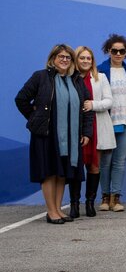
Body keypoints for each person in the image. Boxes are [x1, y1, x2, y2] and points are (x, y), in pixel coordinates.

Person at [15, 44, 94, 224]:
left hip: (71, 136)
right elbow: (21, 99)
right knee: (49, 173)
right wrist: (36, 119)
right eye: (61, 57)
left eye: (68, 57)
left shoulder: (76, 80)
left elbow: (87, 108)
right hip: (47, 135)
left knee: (61, 174)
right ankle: (51, 212)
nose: (65, 60)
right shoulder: (40, 77)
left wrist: (87, 133)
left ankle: (58, 209)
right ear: (53, 59)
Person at [97, 34, 126, 212]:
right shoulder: (99, 71)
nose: (118, 54)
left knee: (119, 162)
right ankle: (104, 197)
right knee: (105, 162)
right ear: (108, 51)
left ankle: (116, 197)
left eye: (122, 51)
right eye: (114, 50)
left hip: (125, 123)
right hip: (106, 123)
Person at [72, 46, 111, 217]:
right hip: (75, 128)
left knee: (94, 166)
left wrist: (92, 104)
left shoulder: (100, 78)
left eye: (89, 58)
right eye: (82, 58)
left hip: (97, 126)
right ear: (76, 59)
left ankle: (90, 202)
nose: (86, 61)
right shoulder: (69, 79)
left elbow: (109, 101)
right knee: (76, 167)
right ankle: (74, 204)